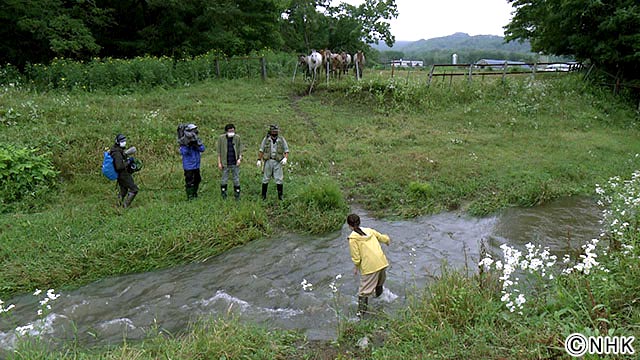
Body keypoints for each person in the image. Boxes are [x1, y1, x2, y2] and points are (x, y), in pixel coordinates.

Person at [346, 213, 391, 318]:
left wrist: (356, 266)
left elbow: (356, 257)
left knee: (363, 293)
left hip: (370, 267)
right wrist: (388, 240)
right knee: (379, 284)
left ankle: (360, 317)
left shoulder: (353, 238)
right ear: (359, 222)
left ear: (349, 225)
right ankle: (380, 301)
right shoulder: (370, 231)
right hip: (382, 262)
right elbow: (382, 238)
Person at [257, 124, 289, 200]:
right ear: (270, 131)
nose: (274, 132)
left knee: (279, 179)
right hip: (268, 161)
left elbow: (286, 150)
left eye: (276, 131)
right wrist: (259, 159)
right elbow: (261, 150)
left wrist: (285, 158)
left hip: (278, 161)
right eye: (273, 131)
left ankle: (280, 197)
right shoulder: (266, 139)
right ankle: (263, 196)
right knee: (265, 178)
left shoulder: (281, 139)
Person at [110, 134, 139, 208]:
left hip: (121, 174)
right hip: (123, 174)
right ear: (117, 142)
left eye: (124, 141)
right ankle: (125, 206)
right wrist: (128, 162)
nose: (124, 142)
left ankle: (118, 204)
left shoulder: (118, 150)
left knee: (124, 190)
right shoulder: (116, 153)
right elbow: (119, 166)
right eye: (122, 141)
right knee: (134, 189)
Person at [217, 123, 243, 200]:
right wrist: (219, 163)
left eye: (233, 131)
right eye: (230, 131)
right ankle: (224, 194)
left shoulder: (237, 138)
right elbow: (219, 152)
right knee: (224, 179)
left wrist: (239, 159)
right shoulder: (221, 139)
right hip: (225, 162)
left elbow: (240, 150)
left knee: (236, 179)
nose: (232, 132)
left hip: (235, 162)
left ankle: (237, 194)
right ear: (226, 131)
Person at [179, 124, 205, 200]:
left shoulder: (196, 139)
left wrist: (196, 145)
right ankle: (189, 196)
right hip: (188, 166)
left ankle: (194, 193)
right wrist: (188, 146)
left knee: (197, 179)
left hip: (196, 165)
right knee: (189, 181)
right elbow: (183, 152)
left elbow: (203, 149)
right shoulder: (184, 141)